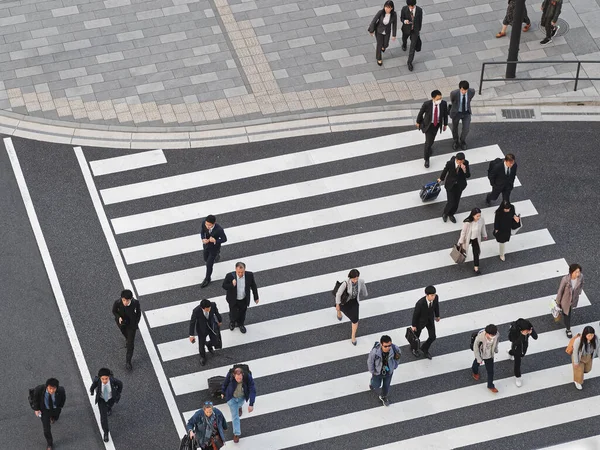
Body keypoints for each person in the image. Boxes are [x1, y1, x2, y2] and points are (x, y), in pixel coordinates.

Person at [221, 366, 257, 443]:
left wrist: (251, 404)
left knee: (239, 405)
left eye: (240, 378)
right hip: (231, 397)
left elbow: (252, 389)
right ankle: (236, 433)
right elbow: (226, 382)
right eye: (237, 378)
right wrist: (223, 392)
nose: (239, 380)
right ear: (234, 375)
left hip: (241, 397)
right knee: (235, 416)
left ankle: (239, 407)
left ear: (242, 375)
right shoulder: (230, 375)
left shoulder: (247, 377)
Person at [222, 262, 259, 334]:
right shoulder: (230, 276)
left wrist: (256, 297)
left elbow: (253, 286)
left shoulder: (249, 275)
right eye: (239, 272)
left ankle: (241, 324)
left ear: (245, 269)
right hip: (233, 299)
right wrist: (232, 284)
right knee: (233, 313)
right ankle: (232, 322)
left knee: (242, 313)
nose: (240, 274)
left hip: (244, 299)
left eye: (242, 272)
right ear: (235, 269)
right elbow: (224, 286)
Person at [335, 268, 368, 345]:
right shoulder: (345, 283)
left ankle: (353, 336)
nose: (355, 280)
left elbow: (363, 288)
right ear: (350, 277)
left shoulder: (360, 281)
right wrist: (337, 304)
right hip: (345, 301)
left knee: (355, 320)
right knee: (339, 307)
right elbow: (338, 294)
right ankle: (339, 312)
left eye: (357, 278)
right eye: (354, 279)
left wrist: (365, 293)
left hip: (354, 302)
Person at [416, 90, 448, 168]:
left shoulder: (443, 103)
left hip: (436, 125)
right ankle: (426, 159)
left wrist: (445, 124)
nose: (439, 100)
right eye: (437, 99)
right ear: (433, 98)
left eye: (440, 98)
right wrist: (418, 122)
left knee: (431, 140)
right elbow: (421, 113)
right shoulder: (427, 104)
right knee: (428, 142)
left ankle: (429, 147)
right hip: (428, 125)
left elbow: (445, 114)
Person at [89, 368, 123, 442]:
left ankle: (109, 408)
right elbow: (93, 386)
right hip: (101, 400)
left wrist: (118, 393)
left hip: (111, 398)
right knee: (103, 418)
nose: (104, 381)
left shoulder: (113, 380)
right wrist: (91, 391)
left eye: (106, 379)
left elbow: (120, 384)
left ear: (109, 377)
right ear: (99, 378)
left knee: (109, 406)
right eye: (102, 379)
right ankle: (106, 433)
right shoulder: (97, 380)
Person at [32, 378, 66, 450]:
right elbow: (35, 399)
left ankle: (53, 418)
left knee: (56, 417)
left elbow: (63, 399)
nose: (51, 391)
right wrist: (36, 409)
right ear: (47, 386)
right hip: (44, 411)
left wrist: (60, 407)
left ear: (56, 388)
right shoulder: (39, 389)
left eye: (53, 389)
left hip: (55, 409)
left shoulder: (61, 390)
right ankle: (50, 444)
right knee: (46, 429)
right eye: (50, 388)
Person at [112, 289, 141, 371]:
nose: (125, 302)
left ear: (130, 299)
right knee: (124, 333)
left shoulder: (135, 303)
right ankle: (127, 339)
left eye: (127, 300)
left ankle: (128, 362)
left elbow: (138, 313)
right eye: (123, 300)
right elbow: (114, 311)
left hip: (131, 325)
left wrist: (136, 323)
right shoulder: (118, 302)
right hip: (121, 323)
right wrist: (119, 318)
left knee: (130, 344)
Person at [367, 335, 401, 407]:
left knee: (386, 386)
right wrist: (373, 371)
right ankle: (372, 382)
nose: (388, 348)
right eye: (385, 346)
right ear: (381, 344)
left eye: (389, 345)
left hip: (388, 372)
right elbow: (370, 362)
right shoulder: (375, 352)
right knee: (376, 385)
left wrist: (394, 366)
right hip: (377, 372)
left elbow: (398, 357)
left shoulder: (395, 349)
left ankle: (383, 397)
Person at [438, 152, 470, 223]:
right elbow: (445, 170)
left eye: (462, 161)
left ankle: (451, 214)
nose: (461, 163)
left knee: (456, 202)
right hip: (450, 185)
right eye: (459, 161)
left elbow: (468, 175)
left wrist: (464, 170)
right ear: (456, 159)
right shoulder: (450, 163)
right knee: (450, 202)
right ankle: (445, 213)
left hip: (459, 186)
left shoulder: (466, 163)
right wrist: (441, 178)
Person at [189, 298, 223, 366]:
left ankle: (208, 344)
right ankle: (203, 357)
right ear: (203, 308)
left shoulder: (213, 305)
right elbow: (192, 322)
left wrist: (220, 320)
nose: (209, 309)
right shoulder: (196, 311)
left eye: (209, 308)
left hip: (211, 326)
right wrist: (191, 335)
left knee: (215, 341)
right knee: (201, 344)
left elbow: (216, 313)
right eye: (207, 309)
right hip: (202, 329)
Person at [411, 286, 440, 359]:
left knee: (432, 336)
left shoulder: (436, 298)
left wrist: (437, 315)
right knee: (416, 337)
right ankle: (414, 349)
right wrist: (414, 325)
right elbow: (415, 315)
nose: (433, 297)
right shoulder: (420, 303)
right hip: (420, 322)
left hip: (430, 320)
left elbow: (436, 306)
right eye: (432, 295)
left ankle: (424, 348)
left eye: (434, 295)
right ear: (427, 295)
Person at [556, 263, 584, 338]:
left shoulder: (581, 277)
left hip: (574, 299)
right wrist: (558, 302)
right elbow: (560, 291)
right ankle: (568, 329)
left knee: (568, 312)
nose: (578, 274)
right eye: (576, 272)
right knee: (567, 315)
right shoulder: (565, 279)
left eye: (579, 271)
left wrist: (579, 292)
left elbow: (581, 284)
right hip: (565, 300)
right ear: (571, 272)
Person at [507, 319, 538, 387]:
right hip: (517, 347)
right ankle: (518, 377)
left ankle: (510, 352)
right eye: (526, 331)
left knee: (515, 352)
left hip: (524, 345)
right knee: (517, 363)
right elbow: (515, 342)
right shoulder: (514, 330)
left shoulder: (528, 326)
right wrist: (522, 335)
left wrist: (531, 332)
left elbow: (535, 337)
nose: (528, 332)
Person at [457, 208, 487, 275]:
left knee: (476, 252)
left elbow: (483, 227)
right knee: (463, 250)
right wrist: (461, 241)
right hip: (468, 238)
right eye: (477, 216)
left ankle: (476, 268)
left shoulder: (481, 220)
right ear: (473, 215)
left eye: (479, 215)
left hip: (476, 238)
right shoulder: (467, 222)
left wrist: (484, 234)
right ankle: (460, 258)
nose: (479, 217)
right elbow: (463, 232)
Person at [200, 214, 227, 288]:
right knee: (205, 258)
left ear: (214, 223)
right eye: (206, 224)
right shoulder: (204, 224)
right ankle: (217, 256)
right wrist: (203, 239)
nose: (207, 226)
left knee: (209, 264)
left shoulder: (219, 229)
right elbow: (202, 232)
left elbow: (224, 239)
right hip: (206, 246)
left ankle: (207, 279)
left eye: (209, 225)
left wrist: (216, 240)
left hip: (214, 248)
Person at [471, 324, 500, 393]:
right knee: (476, 364)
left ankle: (490, 385)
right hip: (481, 354)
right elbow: (476, 348)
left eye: (494, 335)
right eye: (491, 335)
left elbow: (497, 342)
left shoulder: (497, 334)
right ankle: (475, 372)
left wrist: (495, 349)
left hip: (489, 355)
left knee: (490, 371)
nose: (493, 337)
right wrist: (478, 358)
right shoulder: (480, 338)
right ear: (487, 333)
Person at [368, 1, 397, 67]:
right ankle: (379, 58)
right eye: (385, 7)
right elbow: (373, 21)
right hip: (379, 31)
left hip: (387, 32)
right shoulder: (380, 12)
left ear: (391, 8)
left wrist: (394, 35)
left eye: (388, 7)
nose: (386, 9)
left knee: (386, 44)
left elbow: (394, 24)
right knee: (379, 45)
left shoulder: (394, 14)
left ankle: (383, 47)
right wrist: (371, 30)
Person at [449, 81, 475, 150]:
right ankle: (456, 141)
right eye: (462, 90)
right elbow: (452, 101)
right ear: (460, 88)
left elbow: (470, 99)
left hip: (466, 112)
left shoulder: (471, 91)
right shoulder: (454, 93)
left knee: (466, 129)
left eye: (465, 90)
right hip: (457, 113)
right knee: (455, 128)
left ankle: (462, 140)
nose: (464, 92)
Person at [400, 0, 423, 71]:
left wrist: (418, 30)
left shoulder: (419, 10)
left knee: (412, 47)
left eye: (412, 6)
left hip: (415, 31)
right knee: (404, 39)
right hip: (406, 29)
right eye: (410, 6)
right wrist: (404, 21)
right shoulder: (404, 9)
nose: (411, 8)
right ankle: (404, 44)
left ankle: (409, 62)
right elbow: (401, 18)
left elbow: (420, 20)